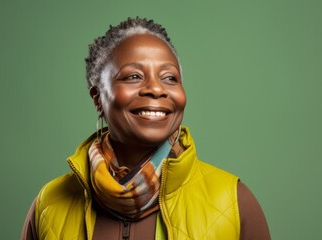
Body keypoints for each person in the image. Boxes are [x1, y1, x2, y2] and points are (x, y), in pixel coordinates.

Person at [21, 17, 270, 240]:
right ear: (97, 98)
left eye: (170, 78)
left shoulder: (235, 202)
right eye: (133, 76)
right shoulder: (49, 204)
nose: (156, 88)